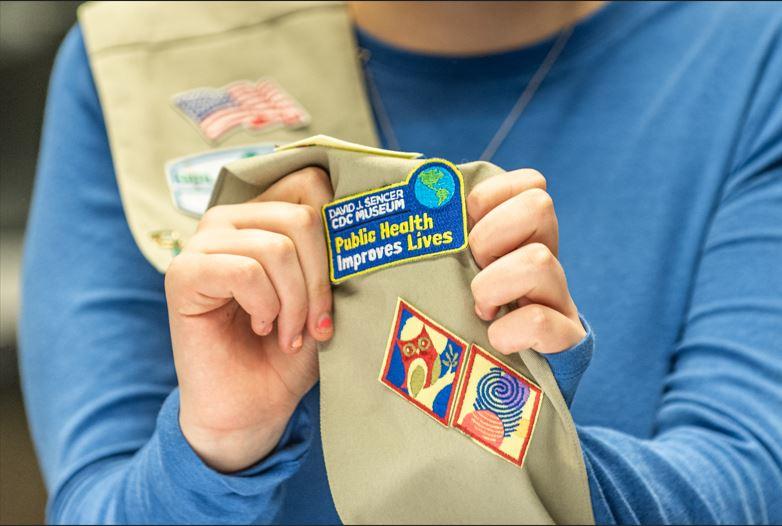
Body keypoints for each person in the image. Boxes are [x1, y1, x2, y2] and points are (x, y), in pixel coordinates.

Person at [20, 1, 782, 524]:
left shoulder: (749, 54)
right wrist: (216, 446)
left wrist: (512, 433)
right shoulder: (135, 67)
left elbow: (749, 482)